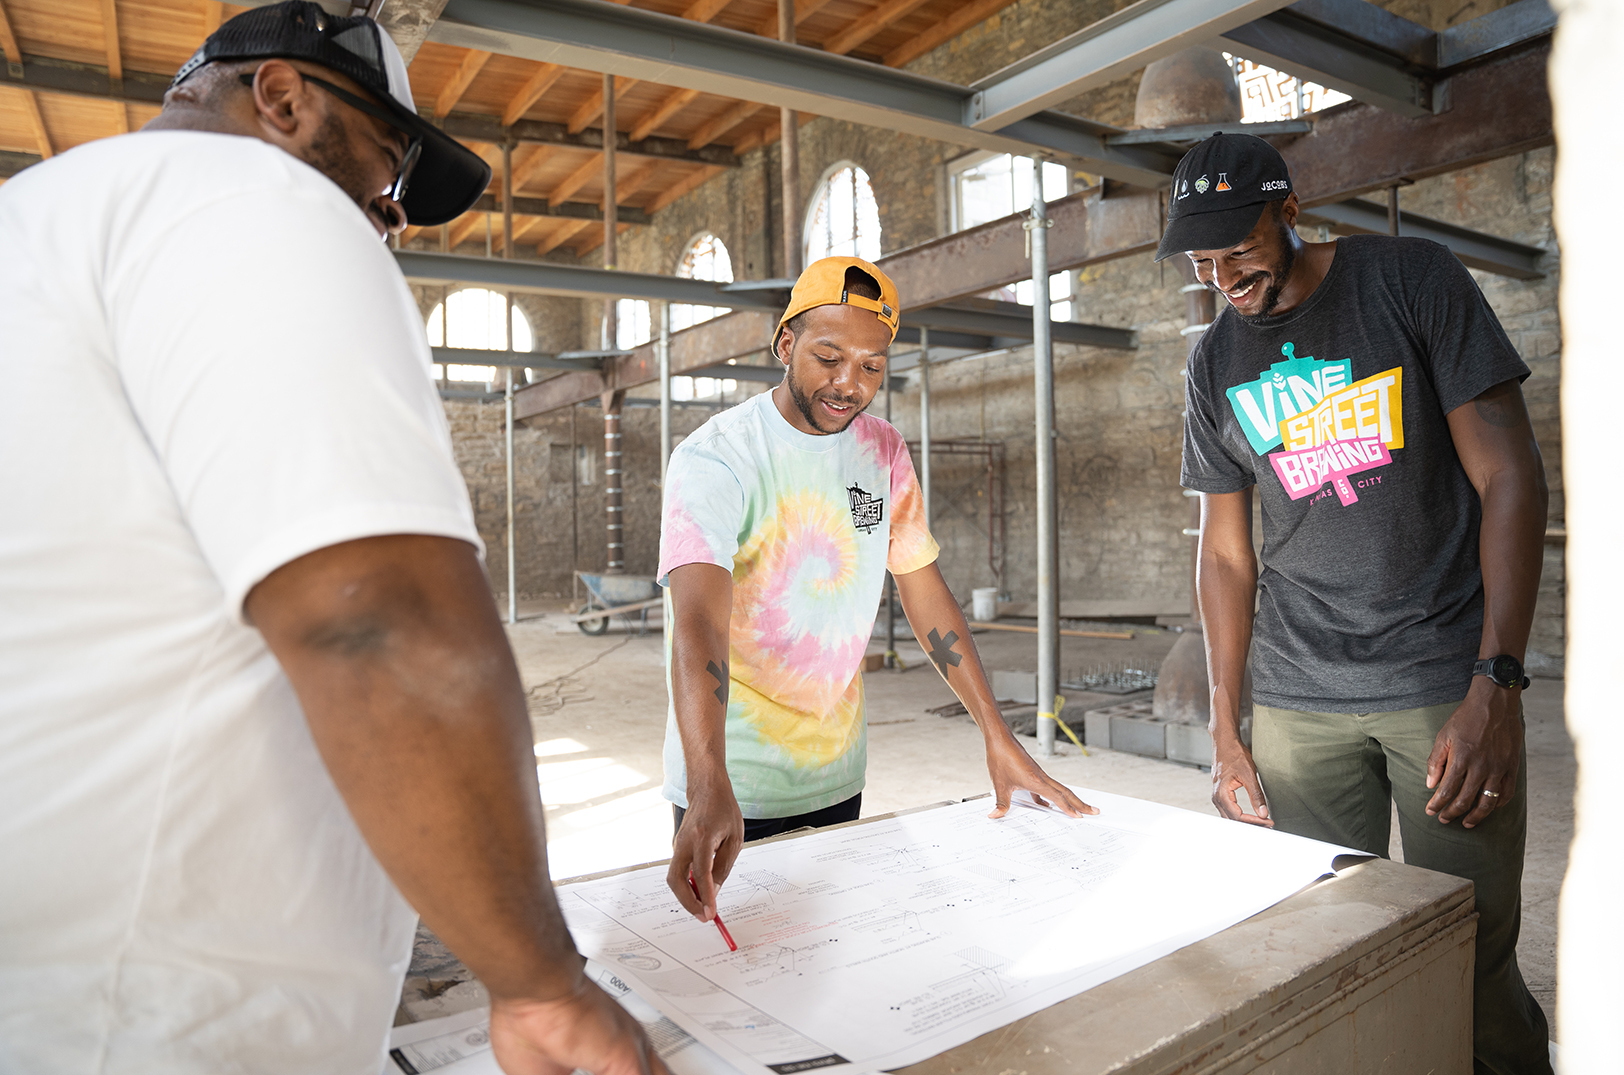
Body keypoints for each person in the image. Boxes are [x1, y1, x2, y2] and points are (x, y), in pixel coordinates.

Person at [0, 5, 664, 1074]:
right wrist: (541, 983)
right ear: (282, 100)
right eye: (387, 175)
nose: (390, 218)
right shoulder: (254, 199)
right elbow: (374, 624)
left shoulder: (36, 221)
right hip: (168, 1020)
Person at [1164, 133, 1551, 1074]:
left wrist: (1496, 681)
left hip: (1440, 683)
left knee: (1466, 952)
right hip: (1300, 698)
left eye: (1239, 248)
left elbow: (1510, 475)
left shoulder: (1410, 281)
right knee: (1323, 950)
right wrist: (1225, 730)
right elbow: (1224, 554)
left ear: (1289, 212)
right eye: (1202, 260)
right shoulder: (1215, 362)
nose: (1223, 275)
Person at [657, 256, 1096, 922]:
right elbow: (698, 623)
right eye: (828, 357)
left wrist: (995, 732)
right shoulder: (717, 457)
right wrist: (706, 776)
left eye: (870, 368)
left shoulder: (882, 451)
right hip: (731, 780)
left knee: (835, 960)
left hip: (839, 772)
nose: (847, 384)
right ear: (785, 344)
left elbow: (924, 592)